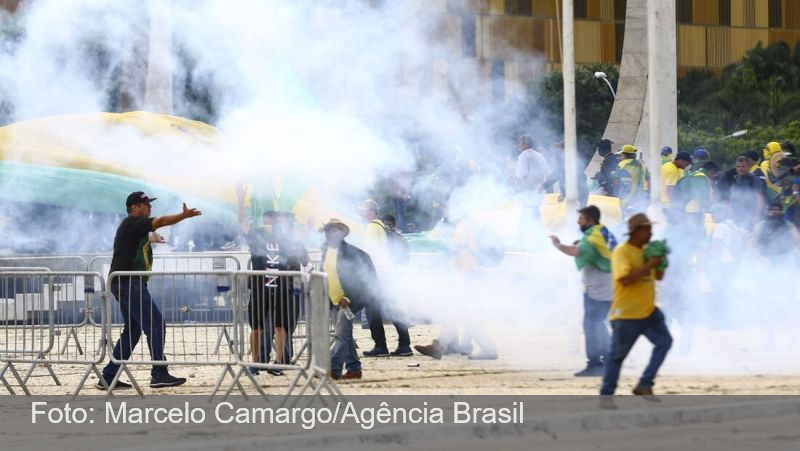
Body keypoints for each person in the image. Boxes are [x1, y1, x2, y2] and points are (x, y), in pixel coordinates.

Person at [97, 192, 202, 390]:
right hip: (129, 282)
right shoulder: (133, 223)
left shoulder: (132, 227)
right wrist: (183, 216)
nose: (149, 207)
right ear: (134, 207)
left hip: (123, 282)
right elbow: (161, 221)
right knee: (155, 324)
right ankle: (159, 373)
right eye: (145, 204)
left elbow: (135, 243)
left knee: (134, 329)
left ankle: (109, 376)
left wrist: (150, 240)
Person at [236, 185, 310, 376]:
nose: (272, 224)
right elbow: (242, 221)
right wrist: (241, 198)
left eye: (275, 220)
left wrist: (307, 227)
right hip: (261, 289)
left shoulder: (286, 239)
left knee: (280, 326)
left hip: (282, 289)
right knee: (257, 328)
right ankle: (256, 364)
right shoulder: (257, 235)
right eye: (270, 219)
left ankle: (277, 363)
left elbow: (299, 246)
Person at [600, 213, 672, 403]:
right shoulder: (622, 252)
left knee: (664, 342)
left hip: (648, 311)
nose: (650, 233)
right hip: (627, 314)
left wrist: (661, 262)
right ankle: (606, 396)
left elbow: (659, 277)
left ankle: (645, 383)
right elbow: (625, 279)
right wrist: (651, 264)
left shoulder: (647, 250)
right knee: (616, 357)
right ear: (636, 231)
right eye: (647, 229)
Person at [549, 205, 617, 377]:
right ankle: (609, 359)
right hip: (607, 284)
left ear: (590, 221)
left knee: (591, 324)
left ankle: (595, 364)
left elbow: (577, 251)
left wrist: (558, 245)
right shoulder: (600, 231)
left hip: (600, 286)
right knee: (598, 323)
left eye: (581, 219)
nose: (578, 222)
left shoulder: (593, 236)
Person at [321, 218, 381, 380]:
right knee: (345, 334)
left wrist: (348, 297)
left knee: (341, 334)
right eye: (327, 230)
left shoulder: (352, 253)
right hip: (334, 300)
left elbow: (359, 279)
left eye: (332, 230)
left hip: (349, 301)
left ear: (341, 233)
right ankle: (354, 369)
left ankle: (333, 369)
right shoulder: (325, 250)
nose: (329, 234)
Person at [358, 199, 412, 357]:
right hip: (387, 272)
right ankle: (404, 344)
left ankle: (380, 346)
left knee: (372, 311)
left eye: (364, 210)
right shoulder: (382, 226)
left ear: (372, 212)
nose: (362, 213)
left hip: (378, 273)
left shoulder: (371, 227)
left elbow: (368, 254)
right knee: (393, 308)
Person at [514, 135, 551, 247]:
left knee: (527, 217)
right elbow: (548, 174)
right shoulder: (539, 156)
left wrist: (512, 179)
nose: (518, 145)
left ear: (525, 144)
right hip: (539, 191)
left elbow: (521, 175)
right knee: (533, 216)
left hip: (528, 192)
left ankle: (522, 242)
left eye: (520, 143)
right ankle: (539, 241)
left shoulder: (524, 156)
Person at [729, 155, 766, 230]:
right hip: (736, 216)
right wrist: (729, 214)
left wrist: (757, 216)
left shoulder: (754, 179)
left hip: (750, 216)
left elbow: (759, 199)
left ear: (748, 167)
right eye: (738, 166)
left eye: (743, 166)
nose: (740, 169)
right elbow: (732, 198)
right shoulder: (735, 179)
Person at [612, 145, 650, 216]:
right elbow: (649, 181)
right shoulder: (643, 165)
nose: (620, 157)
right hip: (641, 197)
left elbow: (616, 181)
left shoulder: (621, 164)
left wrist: (613, 176)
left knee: (625, 217)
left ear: (624, 155)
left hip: (625, 196)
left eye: (621, 155)